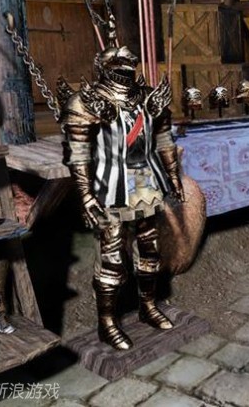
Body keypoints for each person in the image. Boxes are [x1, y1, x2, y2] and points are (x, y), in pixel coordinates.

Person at [61, 45, 183, 350]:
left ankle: (148, 306)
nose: (126, 69)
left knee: (150, 250)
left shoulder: (149, 97)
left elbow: (164, 139)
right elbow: (78, 154)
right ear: (104, 68)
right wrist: (86, 194)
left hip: (146, 183)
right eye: (119, 65)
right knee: (112, 257)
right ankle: (107, 322)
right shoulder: (86, 101)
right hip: (109, 187)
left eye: (129, 64)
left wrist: (173, 176)